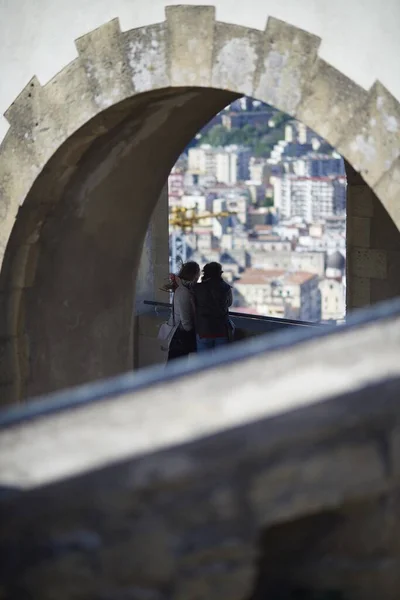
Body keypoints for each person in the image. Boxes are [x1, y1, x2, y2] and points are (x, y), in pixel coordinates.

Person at [193, 262, 233, 352]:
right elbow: (229, 303)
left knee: (204, 364)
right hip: (221, 329)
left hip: (203, 329)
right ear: (220, 273)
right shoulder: (226, 288)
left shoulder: (197, 288)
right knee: (220, 363)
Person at [167, 261, 200, 362]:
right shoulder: (184, 292)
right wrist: (191, 329)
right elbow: (186, 321)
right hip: (182, 336)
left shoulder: (182, 289)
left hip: (178, 336)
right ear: (194, 275)